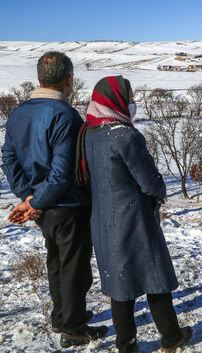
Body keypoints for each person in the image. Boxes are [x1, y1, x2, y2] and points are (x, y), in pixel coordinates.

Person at [75, 76, 192, 353]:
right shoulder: (126, 136)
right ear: (116, 100)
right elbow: (149, 181)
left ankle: (126, 344)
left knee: (120, 283)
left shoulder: (88, 133)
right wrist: (160, 192)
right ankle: (171, 337)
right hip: (134, 218)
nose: (131, 102)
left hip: (103, 220)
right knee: (155, 276)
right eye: (128, 96)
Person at [1, 52, 107, 348]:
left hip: (43, 206)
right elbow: (62, 174)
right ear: (69, 80)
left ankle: (63, 317)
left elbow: (8, 159)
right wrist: (35, 202)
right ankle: (73, 330)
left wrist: (28, 197)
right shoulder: (65, 115)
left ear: (39, 78)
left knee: (57, 263)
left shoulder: (18, 112)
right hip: (67, 204)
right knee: (74, 268)